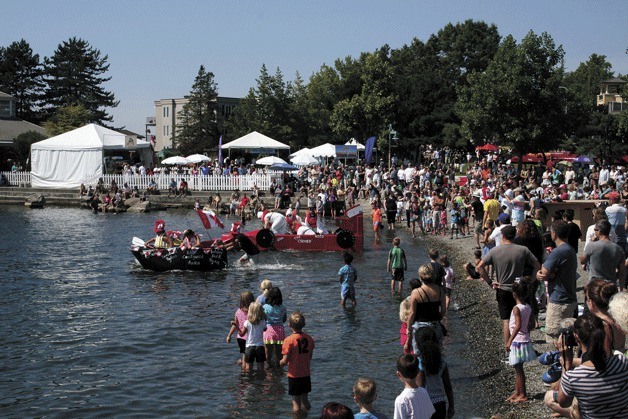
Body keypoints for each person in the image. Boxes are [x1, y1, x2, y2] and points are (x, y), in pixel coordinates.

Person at [544, 313, 628, 418]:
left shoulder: (572, 377)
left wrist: (567, 364)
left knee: (548, 396)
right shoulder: (621, 361)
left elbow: (564, 403)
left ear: (576, 337)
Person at [477, 225, 539, 354]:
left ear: (503, 236)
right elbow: (537, 265)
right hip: (520, 287)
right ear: (514, 236)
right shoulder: (523, 250)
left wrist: (489, 282)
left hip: (503, 288)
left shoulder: (495, 251)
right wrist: (532, 280)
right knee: (524, 316)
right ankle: (524, 345)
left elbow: (479, 267)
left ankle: (508, 350)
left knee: (506, 320)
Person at [536, 220, 578, 343]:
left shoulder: (558, 252)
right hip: (569, 296)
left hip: (559, 298)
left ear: (554, 233)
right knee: (567, 336)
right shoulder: (570, 249)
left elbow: (543, 272)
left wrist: (541, 274)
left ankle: (562, 360)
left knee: (554, 335)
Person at [505, 282, 536, 403]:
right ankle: (517, 391)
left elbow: (517, 325)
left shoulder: (516, 308)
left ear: (514, 294)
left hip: (517, 342)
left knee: (518, 369)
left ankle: (522, 393)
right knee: (518, 368)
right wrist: (526, 331)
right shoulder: (528, 306)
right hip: (524, 340)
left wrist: (509, 341)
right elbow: (532, 324)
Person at [404, 265, 446, 355]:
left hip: (420, 327)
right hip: (435, 325)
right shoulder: (440, 290)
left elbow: (412, 313)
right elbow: (443, 310)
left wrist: (408, 329)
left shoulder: (416, 292)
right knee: (437, 354)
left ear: (420, 277)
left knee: (419, 354)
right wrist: (438, 319)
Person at [280, 312, 315, 416]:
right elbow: (310, 356)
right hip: (306, 374)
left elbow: (285, 361)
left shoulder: (288, 340)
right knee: (305, 400)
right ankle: (309, 415)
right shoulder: (309, 338)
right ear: (303, 324)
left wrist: (280, 363)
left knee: (296, 403)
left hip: (294, 375)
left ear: (290, 325)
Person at [414, 328, 454, 419]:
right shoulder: (442, 362)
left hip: (425, 405)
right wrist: (451, 406)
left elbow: (420, 389)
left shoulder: (420, 363)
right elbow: (448, 386)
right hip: (440, 404)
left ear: (418, 344)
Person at [580, 220, 625, 287]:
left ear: (599, 231)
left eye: (595, 229)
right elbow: (621, 272)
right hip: (611, 285)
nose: (594, 231)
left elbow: (582, 261)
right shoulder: (619, 249)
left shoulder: (591, 246)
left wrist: (591, 242)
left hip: (595, 286)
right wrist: (621, 288)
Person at [585, 279, 626, 353]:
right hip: (619, 362)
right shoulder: (618, 319)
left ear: (591, 303)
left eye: (586, 299)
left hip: (610, 363)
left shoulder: (601, 326)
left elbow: (600, 359)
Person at [394, 354, 435, 419]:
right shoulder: (424, 392)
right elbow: (429, 414)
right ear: (418, 371)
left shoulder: (401, 400)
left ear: (399, 374)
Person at [234, 301, 266, 373]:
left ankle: (249, 381)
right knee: (260, 368)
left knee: (248, 368)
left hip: (250, 347)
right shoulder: (263, 322)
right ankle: (260, 381)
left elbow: (241, 334)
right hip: (260, 347)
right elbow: (265, 329)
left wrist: (236, 326)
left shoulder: (247, 322)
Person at [226, 291, 255, 369]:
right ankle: (246, 372)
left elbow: (235, 325)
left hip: (240, 338)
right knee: (248, 357)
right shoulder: (253, 312)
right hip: (249, 338)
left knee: (244, 354)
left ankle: (243, 371)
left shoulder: (238, 312)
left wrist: (229, 335)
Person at [263, 287, 287, 368]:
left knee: (268, 354)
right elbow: (284, 319)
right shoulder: (283, 307)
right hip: (280, 331)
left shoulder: (265, 307)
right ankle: (279, 370)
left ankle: (268, 370)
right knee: (279, 355)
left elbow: (263, 319)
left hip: (268, 331)